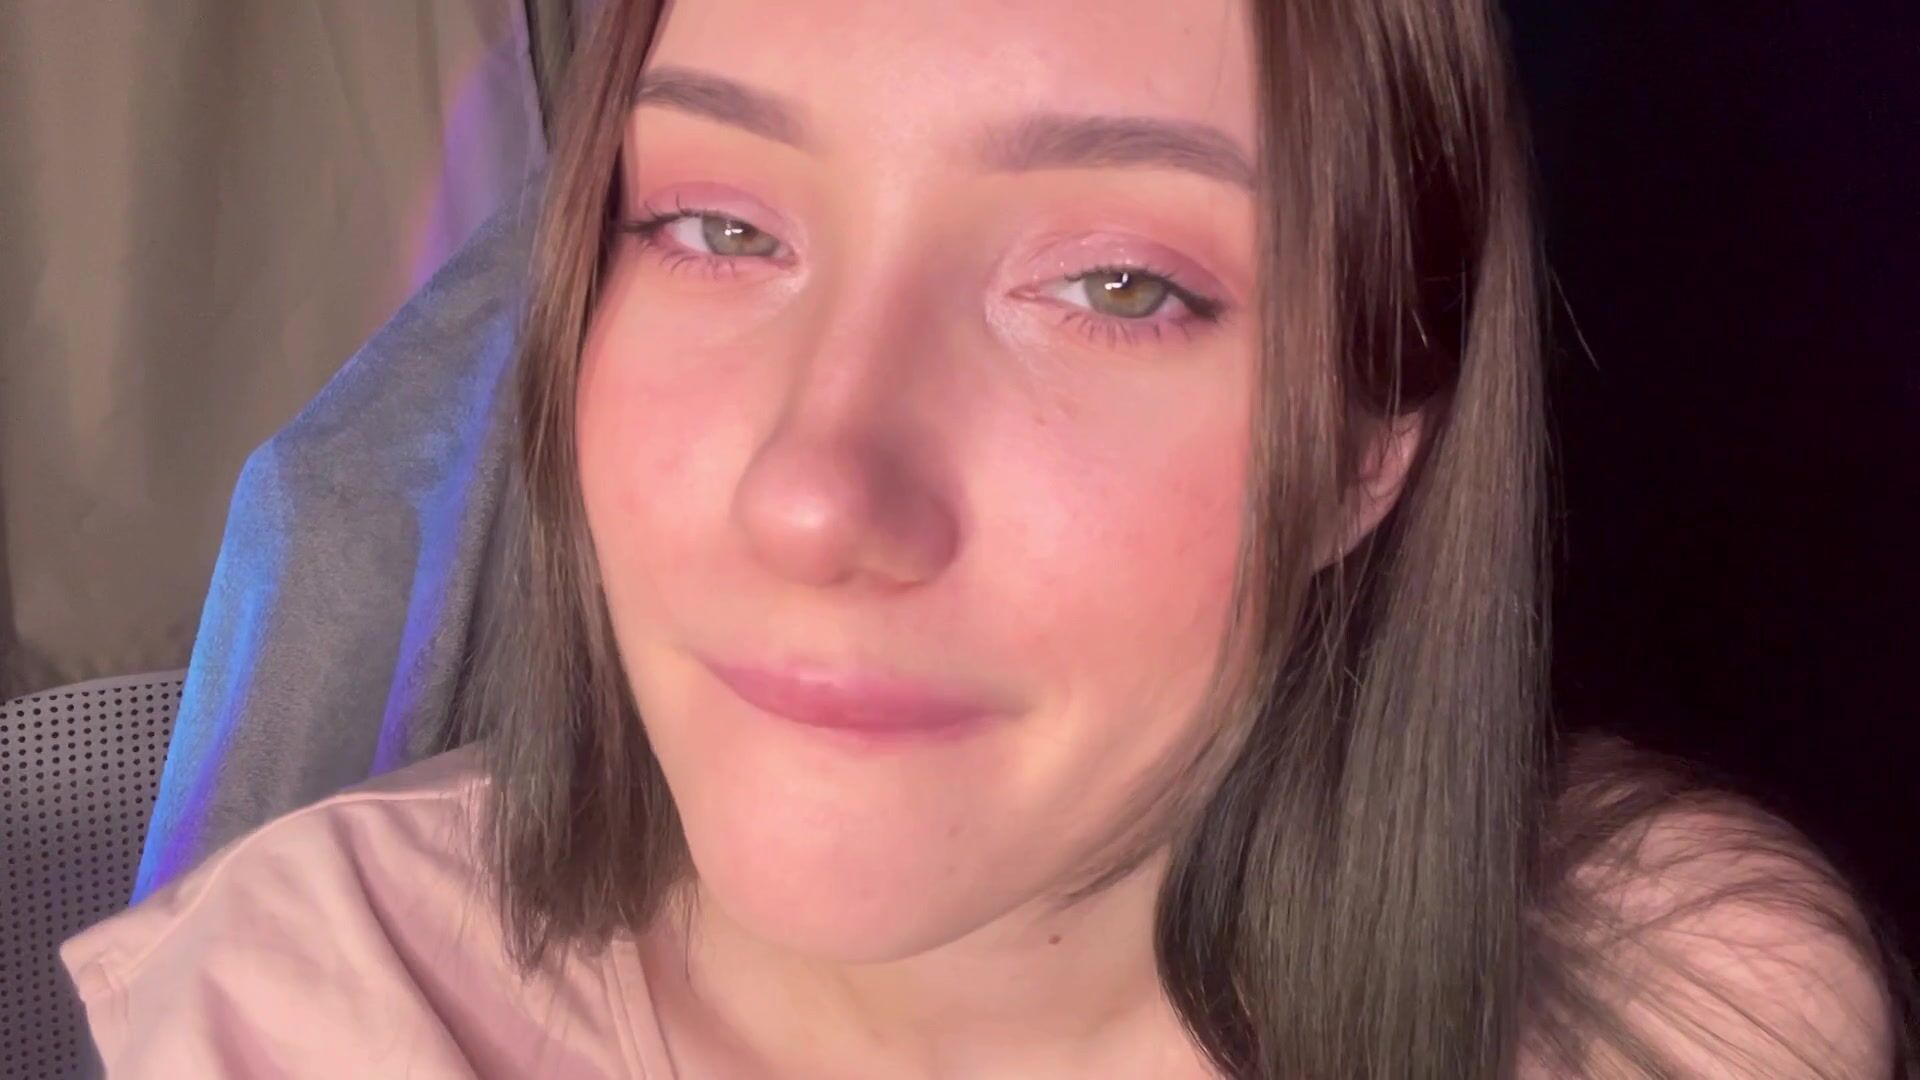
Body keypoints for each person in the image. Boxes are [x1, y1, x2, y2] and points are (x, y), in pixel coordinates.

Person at [61, 0, 1912, 1076]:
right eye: (714, 228)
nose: (813, 494)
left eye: (1116, 283)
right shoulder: (310, 1013)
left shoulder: (1671, 1010)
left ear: (1372, 451)